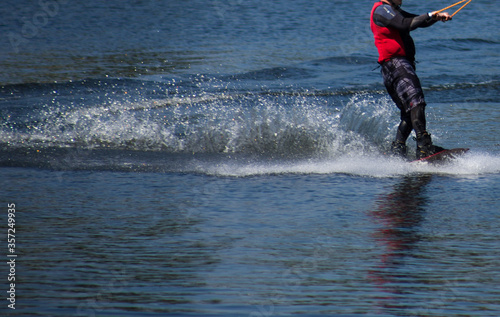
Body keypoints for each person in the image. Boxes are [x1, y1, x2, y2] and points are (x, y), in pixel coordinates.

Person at [370, 0, 452, 159]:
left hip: (395, 67)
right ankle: (424, 148)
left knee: (409, 113)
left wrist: (435, 17)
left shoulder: (392, 10)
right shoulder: (381, 10)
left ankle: (397, 151)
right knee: (417, 103)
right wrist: (429, 15)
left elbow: (416, 20)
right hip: (396, 66)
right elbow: (405, 24)